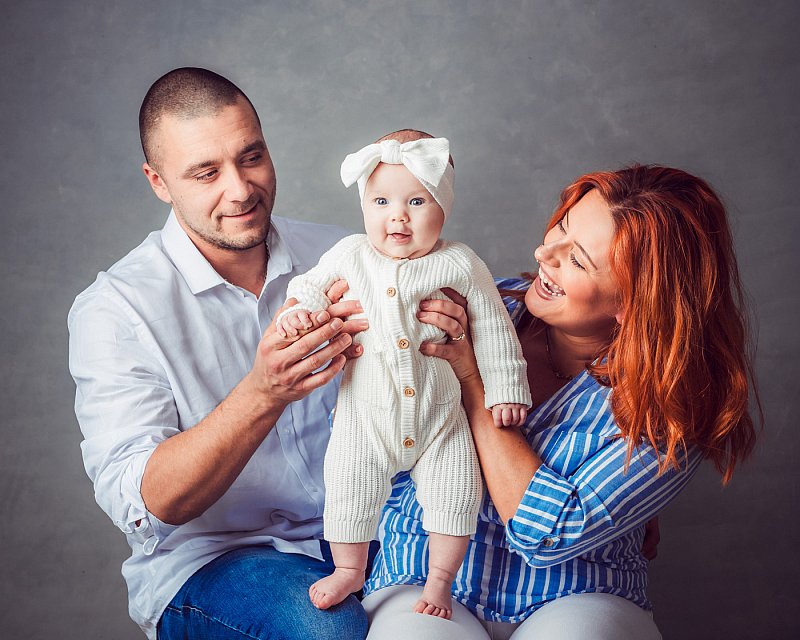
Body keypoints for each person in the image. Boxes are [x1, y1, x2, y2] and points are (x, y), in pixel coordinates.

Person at [362, 165, 760, 639]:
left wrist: (473, 383)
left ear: (636, 301)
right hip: (425, 573)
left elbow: (548, 534)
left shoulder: (675, 402)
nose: (543, 254)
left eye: (578, 261)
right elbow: (370, 429)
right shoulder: (476, 309)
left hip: (580, 591)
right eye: (561, 230)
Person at [67, 67, 371, 640]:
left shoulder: (341, 254)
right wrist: (263, 393)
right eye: (206, 173)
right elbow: (150, 502)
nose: (240, 189)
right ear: (158, 181)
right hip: (216, 560)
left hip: (372, 528)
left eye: (251, 157)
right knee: (331, 631)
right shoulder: (114, 310)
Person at [276, 130, 531, 617]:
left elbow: (497, 330)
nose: (397, 215)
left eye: (417, 200)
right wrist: (296, 310)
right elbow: (310, 286)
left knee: (455, 494)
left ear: (444, 208)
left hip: (442, 420)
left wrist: (505, 390)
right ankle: (349, 569)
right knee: (349, 484)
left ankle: (439, 582)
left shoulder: (459, 262)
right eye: (381, 201)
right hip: (366, 419)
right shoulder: (352, 254)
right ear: (364, 206)